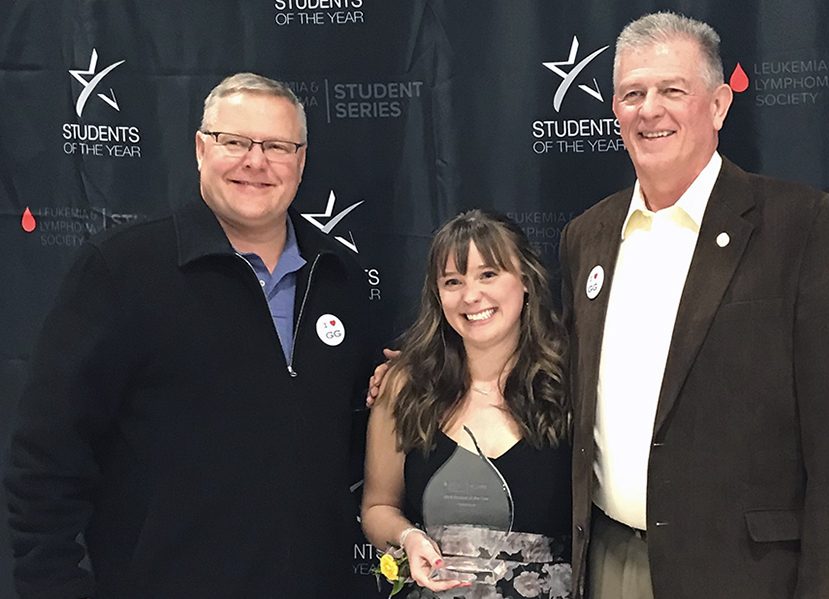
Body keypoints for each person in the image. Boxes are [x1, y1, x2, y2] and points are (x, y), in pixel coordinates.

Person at [4, 73, 373, 598]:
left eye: (276, 146)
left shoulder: (338, 276)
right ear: (201, 149)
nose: (256, 161)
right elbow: (48, 455)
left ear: (302, 161)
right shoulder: (121, 270)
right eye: (236, 142)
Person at [560, 11, 829, 599]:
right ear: (614, 109)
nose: (649, 109)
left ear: (717, 105)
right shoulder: (587, 236)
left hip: (747, 577)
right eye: (633, 93)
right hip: (609, 564)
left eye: (671, 90)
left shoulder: (805, 229)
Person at [361, 210, 572, 599]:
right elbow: (377, 506)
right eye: (453, 281)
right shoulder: (405, 386)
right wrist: (407, 537)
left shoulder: (570, 383)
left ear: (525, 280)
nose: (471, 295)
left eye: (488, 274)